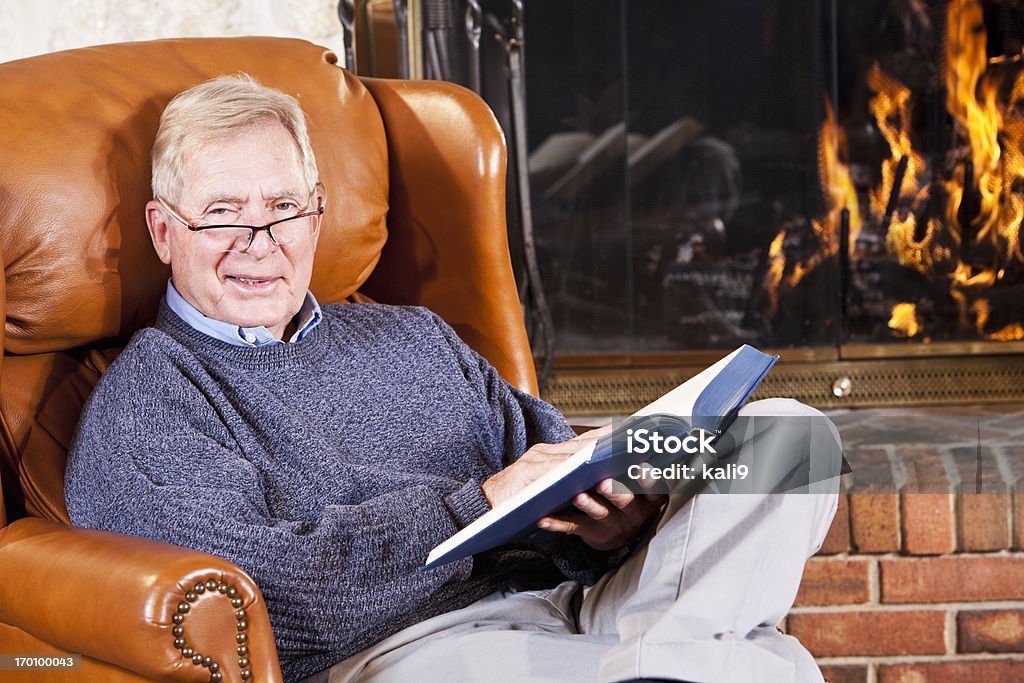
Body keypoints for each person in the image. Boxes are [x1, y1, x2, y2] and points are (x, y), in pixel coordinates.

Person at [64, 74, 842, 683]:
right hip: (406, 650)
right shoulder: (150, 400)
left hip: (578, 603)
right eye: (223, 213)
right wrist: (467, 508)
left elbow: (545, 459)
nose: (259, 240)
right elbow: (267, 599)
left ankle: (674, 657)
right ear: (164, 231)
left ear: (317, 215)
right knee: (733, 659)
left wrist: (618, 523)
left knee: (791, 437)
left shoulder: (410, 333)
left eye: (282, 206)